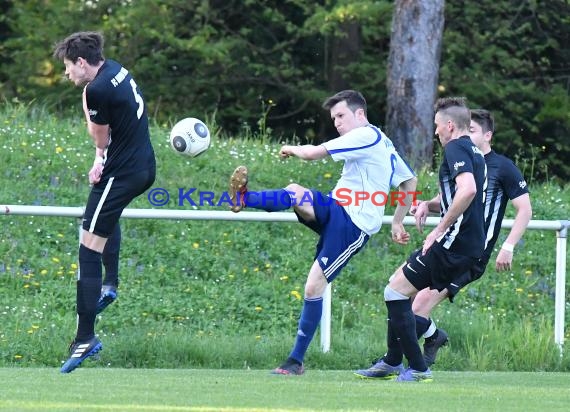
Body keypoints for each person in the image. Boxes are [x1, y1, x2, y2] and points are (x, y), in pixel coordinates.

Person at [227, 90, 418, 375]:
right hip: (336, 208)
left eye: (341, 116)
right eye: (334, 118)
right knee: (294, 192)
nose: (337, 123)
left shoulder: (365, 135)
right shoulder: (382, 139)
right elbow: (410, 180)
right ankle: (244, 199)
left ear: (360, 114)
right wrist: (397, 221)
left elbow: (314, 153)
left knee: (313, 285)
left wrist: (291, 149)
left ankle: (295, 361)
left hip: (354, 224)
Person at [354, 109, 532, 377]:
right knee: (399, 290)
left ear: (487, 135)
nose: (436, 131)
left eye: (473, 130)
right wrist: (427, 204)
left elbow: (517, 207)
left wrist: (507, 246)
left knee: (408, 300)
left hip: (463, 249)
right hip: (455, 242)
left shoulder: (487, 161)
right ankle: (415, 348)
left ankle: (411, 364)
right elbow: (454, 198)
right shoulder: (472, 159)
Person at [53, 31, 156, 373]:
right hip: (140, 167)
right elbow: (110, 140)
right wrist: (100, 160)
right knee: (103, 221)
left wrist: (86, 105)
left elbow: (100, 135)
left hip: (122, 173)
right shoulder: (116, 69)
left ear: (82, 63)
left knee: (87, 248)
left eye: (69, 66)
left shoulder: (95, 89)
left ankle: (85, 338)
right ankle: (109, 283)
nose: (67, 73)